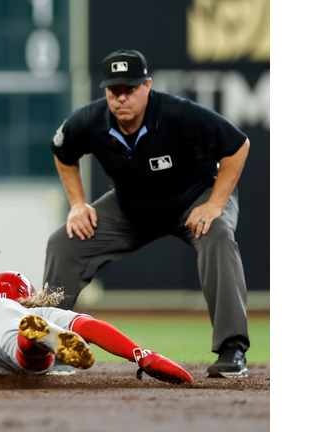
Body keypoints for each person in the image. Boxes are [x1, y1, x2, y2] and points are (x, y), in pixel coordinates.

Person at [43, 49, 251, 378]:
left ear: (147, 86)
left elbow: (238, 146)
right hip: (130, 208)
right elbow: (62, 150)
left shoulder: (177, 114)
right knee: (65, 242)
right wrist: (78, 204)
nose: (121, 98)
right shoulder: (91, 120)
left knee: (219, 237)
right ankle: (48, 346)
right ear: (106, 92)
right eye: (114, 91)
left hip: (192, 201)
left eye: (129, 89)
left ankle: (232, 348)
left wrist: (214, 204)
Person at [0, 271, 193, 384]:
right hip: (13, 321)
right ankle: (33, 338)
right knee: (28, 354)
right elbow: (92, 328)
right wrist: (141, 354)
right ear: (26, 298)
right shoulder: (31, 309)